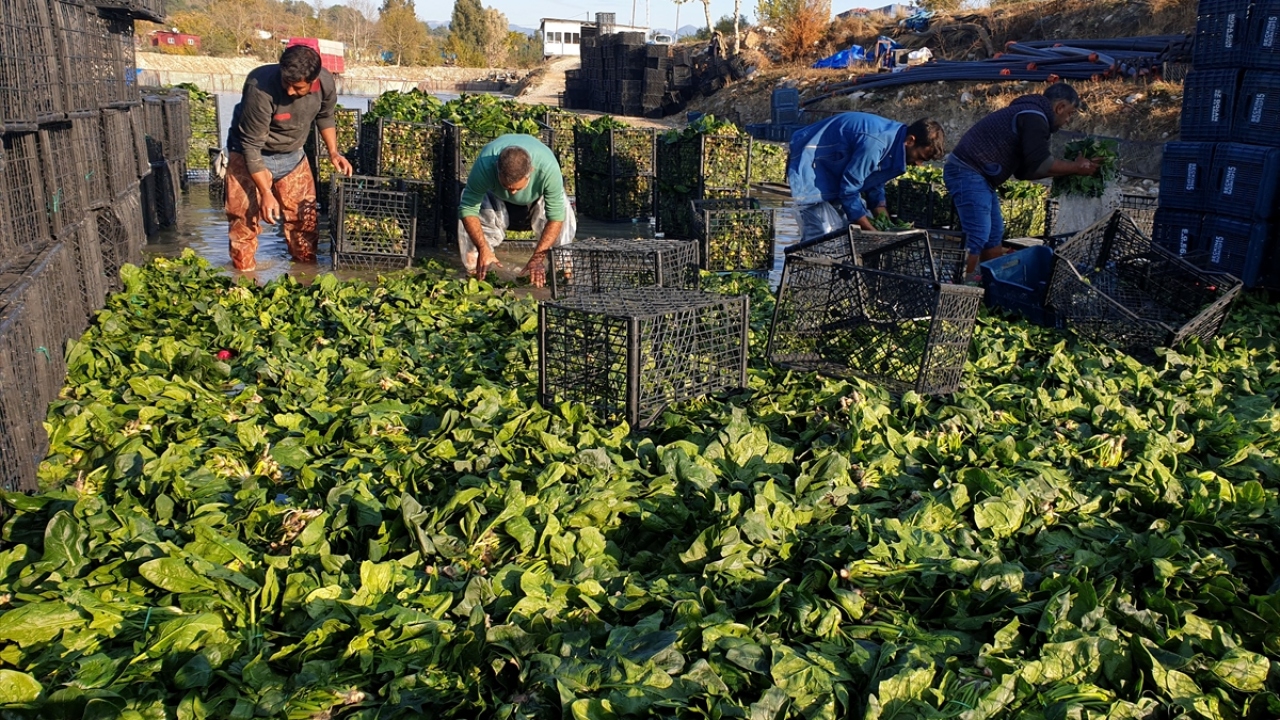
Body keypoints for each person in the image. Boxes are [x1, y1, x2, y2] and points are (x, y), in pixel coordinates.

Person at [945, 82, 1100, 281]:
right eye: (1070, 114)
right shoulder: (1034, 117)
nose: (1068, 120)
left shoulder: (1032, 114)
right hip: (967, 170)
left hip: (980, 177)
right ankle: (953, 288)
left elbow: (1027, 171)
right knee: (977, 233)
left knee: (993, 234)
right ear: (1059, 107)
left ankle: (992, 286)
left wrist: (1071, 170)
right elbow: (1043, 163)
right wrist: (1076, 168)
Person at [224, 45, 353, 271]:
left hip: (292, 156)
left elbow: (325, 116)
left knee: (304, 222)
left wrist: (334, 151)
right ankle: (243, 280)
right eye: (286, 83)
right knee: (243, 222)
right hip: (248, 155)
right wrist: (265, 192)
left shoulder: (324, 83)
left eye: (297, 87)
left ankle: (304, 277)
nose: (290, 91)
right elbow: (251, 146)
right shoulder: (260, 88)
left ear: (312, 82)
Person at [787, 113, 946, 242]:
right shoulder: (876, 143)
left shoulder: (895, 141)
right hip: (812, 162)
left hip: (835, 168)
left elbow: (874, 184)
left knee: (850, 227)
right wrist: (871, 231)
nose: (919, 164)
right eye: (920, 157)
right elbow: (849, 190)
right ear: (910, 141)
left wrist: (887, 229)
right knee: (820, 233)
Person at [457, 134, 576, 288]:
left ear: (531, 172)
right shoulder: (484, 166)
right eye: (508, 187)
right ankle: (475, 273)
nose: (512, 192)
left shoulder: (547, 169)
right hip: (496, 196)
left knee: (564, 212)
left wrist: (537, 258)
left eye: (517, 188)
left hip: (535, 199)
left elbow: (556, 218)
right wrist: (483, 247)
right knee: (468, 211)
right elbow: (468, 208)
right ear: (498, 172)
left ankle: (564, 272)